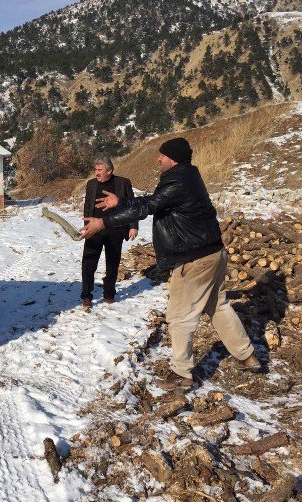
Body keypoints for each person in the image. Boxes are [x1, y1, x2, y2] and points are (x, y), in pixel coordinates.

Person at [80, 138, 260, 390]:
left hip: (194, 259)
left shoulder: (177, 179)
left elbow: (150, 205)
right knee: (218, 306)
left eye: (162, 155)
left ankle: (182, 374)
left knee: (179, 316)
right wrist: (121, 203)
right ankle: (247, 355)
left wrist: (104, 222)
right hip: (213, 253)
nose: (157, 159)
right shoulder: (188, 175)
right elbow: (155, 202)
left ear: (173, 158)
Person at [81, 157, 138, 310]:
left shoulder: (123, 183)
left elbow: (132, 206)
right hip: (94, 229)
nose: (96, 173)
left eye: (99, 170)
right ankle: (86, 295)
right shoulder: (91, 184)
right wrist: (87, 226)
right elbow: (87, 205)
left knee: (112, 263)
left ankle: (109, 294)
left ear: (109, 171)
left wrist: (133, 225)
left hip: (116, 229)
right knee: (88, 262)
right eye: (95, 170)